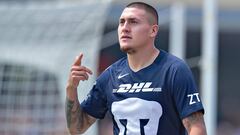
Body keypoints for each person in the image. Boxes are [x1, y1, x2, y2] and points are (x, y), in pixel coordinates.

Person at [65, 2, 207, 135]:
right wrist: (71, 88)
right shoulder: (110, 76)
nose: (125, 28)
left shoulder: (174, 70)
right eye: (122, 22)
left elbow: (196, 127)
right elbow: (77, 128)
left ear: (153, 31)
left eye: (133, 22)